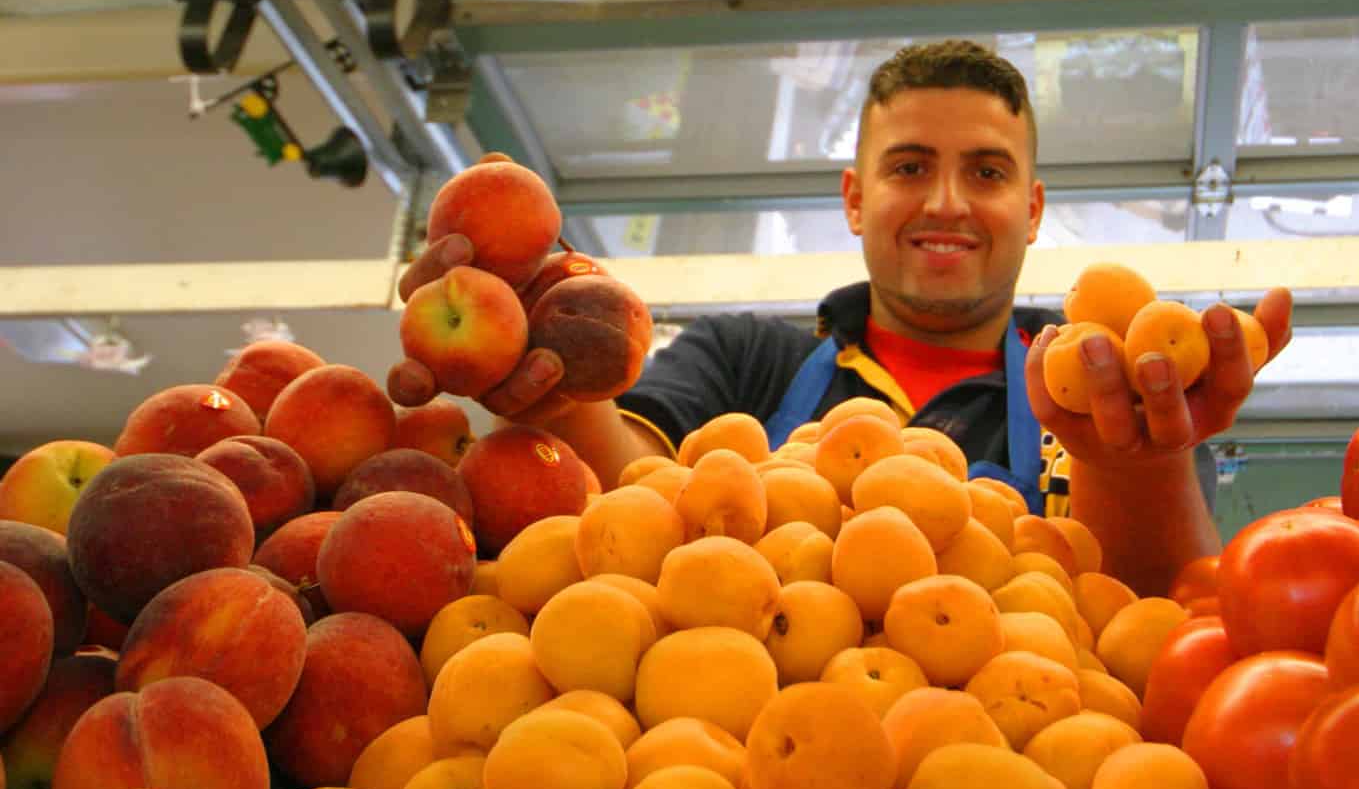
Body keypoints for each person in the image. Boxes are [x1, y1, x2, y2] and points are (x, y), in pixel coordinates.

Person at [390, 40, 1292, 595]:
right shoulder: (745, 360)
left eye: (986, 172)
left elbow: (1154, 625)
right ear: (856, 199)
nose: (945, 202)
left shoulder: (1108, 380)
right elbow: (634, 505)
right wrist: (556, 387)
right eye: (907, 168)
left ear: (1034, 206)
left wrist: (1135, 464)